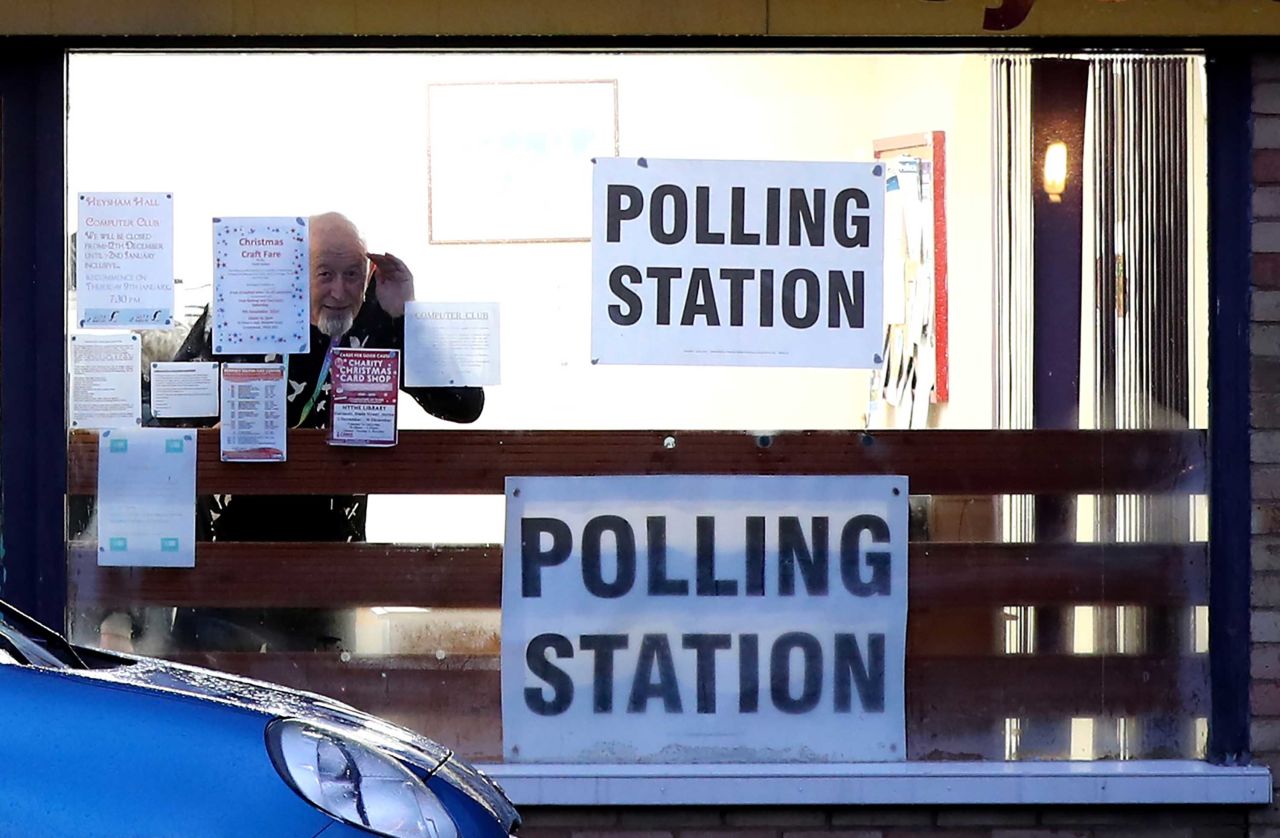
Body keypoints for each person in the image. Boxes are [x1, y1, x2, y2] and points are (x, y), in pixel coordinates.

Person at [170, 212, 483, 651]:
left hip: (329, 557)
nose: (340, 291)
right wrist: (209, 433)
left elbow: (466, 405)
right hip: (230, 553)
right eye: (325, 275)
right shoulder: (243, 310)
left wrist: (408, 316)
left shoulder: (378, 318)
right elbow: (168, 411)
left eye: (353, 275)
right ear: (296, 272)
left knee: (321, 703)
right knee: (206, 704)